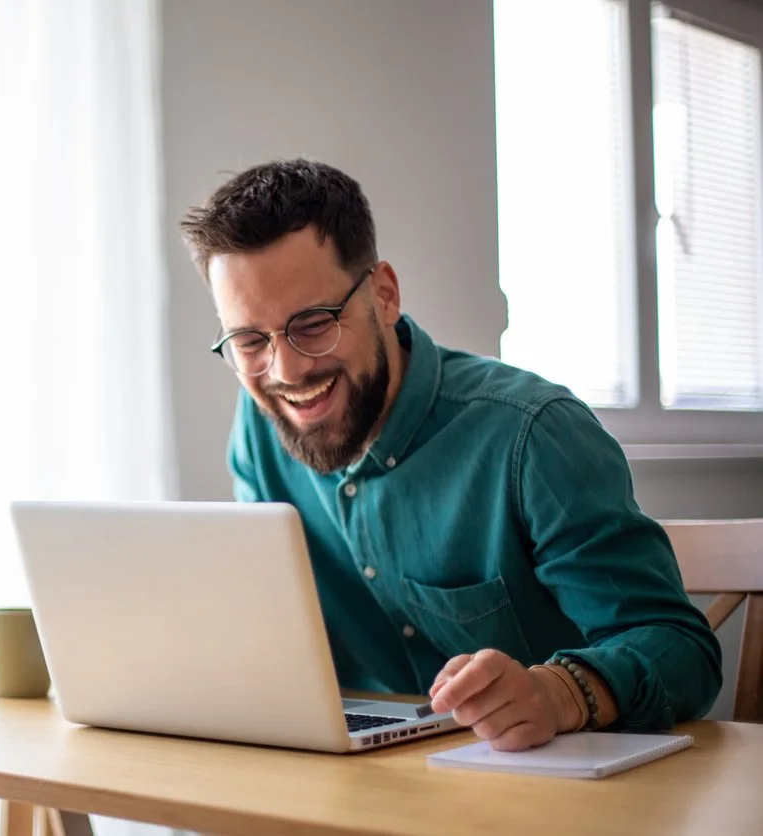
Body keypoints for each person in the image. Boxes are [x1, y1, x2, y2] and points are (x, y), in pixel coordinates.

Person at [178, 159, 722, 751]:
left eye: (313, 324)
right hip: (357, 788)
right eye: (250, 341)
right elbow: (273, 626)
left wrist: (561, 692)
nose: (285, 372)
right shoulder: (263, 431)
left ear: (383, 295)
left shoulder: (533, 435)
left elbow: (683, 650)